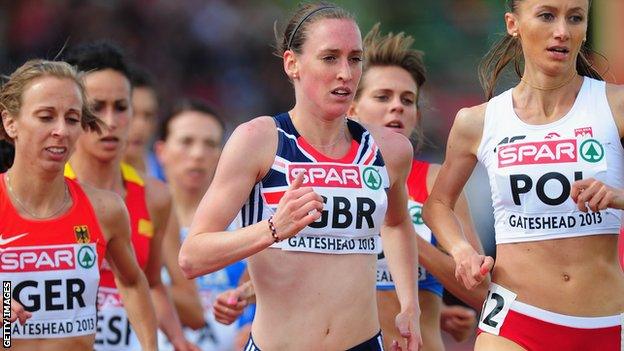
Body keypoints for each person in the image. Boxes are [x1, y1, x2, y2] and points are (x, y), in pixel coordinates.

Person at [179, 2, 422, 350]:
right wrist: (273, 228)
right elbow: (192, 256)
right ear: (292, 64)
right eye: (330, 58)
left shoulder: (390, 150)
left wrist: (409, 304)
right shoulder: (259, 140)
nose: (346, 73)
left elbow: (397, 225)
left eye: (355, 59)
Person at [422, 0, 624, 350]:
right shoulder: (478, 121)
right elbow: (438, 204)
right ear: (513, 24)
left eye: (575, 18)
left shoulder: (615, 106)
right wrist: (462, 251)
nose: (562, 31)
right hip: (515, 323)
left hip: (603, 324)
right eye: (547, 15)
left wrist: (619, 198)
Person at [0, 59, 158, 350]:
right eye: (46, 117)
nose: (61, 130)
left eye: (72, 119)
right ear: (11, 123)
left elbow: (134, 282)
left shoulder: (105, 209)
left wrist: (151, 347)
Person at [347, 24, 487, 350]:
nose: (397, 106)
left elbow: (483, 293)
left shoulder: (435, 183)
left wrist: (405, 235)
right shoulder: (326, 177)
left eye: (407, 100)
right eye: (382, 97)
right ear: (351, 109)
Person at [63, 42, 197, 351]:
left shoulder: (155, 197)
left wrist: (177, 340)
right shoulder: (49, 192)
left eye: (121, 107)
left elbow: (150, 284)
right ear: (74, 111)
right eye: (97, 107)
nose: (110, 122)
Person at [154, 99, 251, 350]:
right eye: (186, 142)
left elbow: (262, 298)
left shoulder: (247, 224)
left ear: (222, 154)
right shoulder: (136, 221)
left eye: (210, 144)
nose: (197, 154)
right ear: (161, 151)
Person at [122, 65, 166, 180]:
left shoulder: (167, 175)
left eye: (149, 115)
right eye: (132, 113)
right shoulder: (81, 178)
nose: (141, 126)